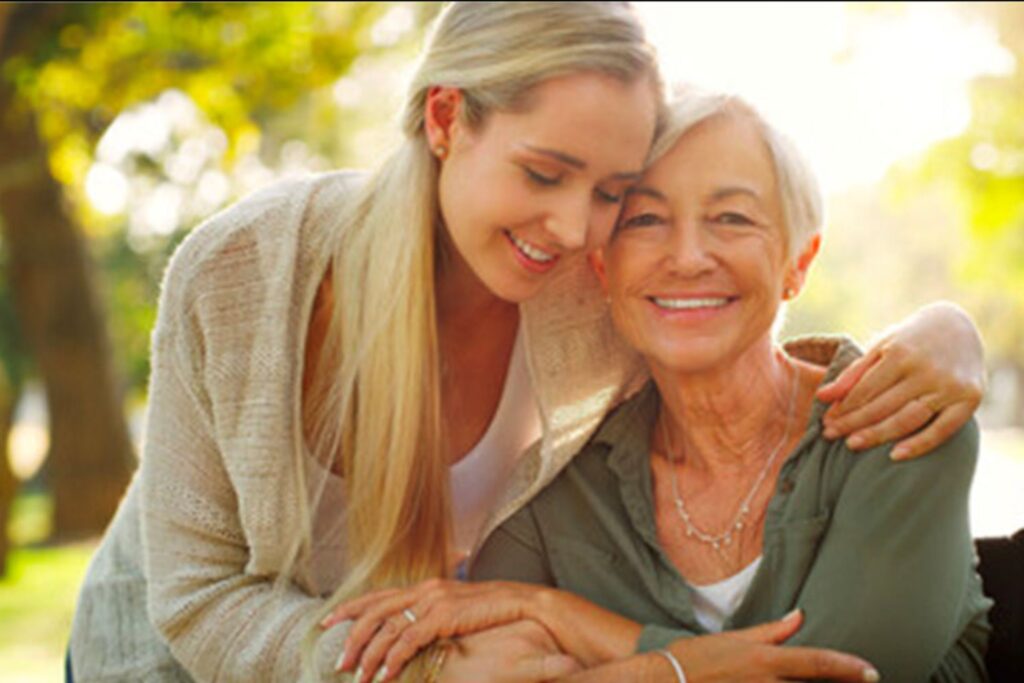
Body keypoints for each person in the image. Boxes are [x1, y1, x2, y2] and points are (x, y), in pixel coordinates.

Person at [69, 3, 986, 682]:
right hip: (171, 658)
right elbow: (196, 598)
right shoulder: (242, 272)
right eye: (544, 172)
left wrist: (948, 333)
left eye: (610, 193)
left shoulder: (591, 294)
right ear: (444, 119)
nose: (571, 227)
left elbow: (721, 315)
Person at [335, 91, 991, 682]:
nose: (686, 255)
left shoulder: (904, 419)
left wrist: (557, 612)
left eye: (731, 218)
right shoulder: (556, 490)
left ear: (799, 262)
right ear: (601, 263)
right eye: (644, 222)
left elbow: (837, 676)